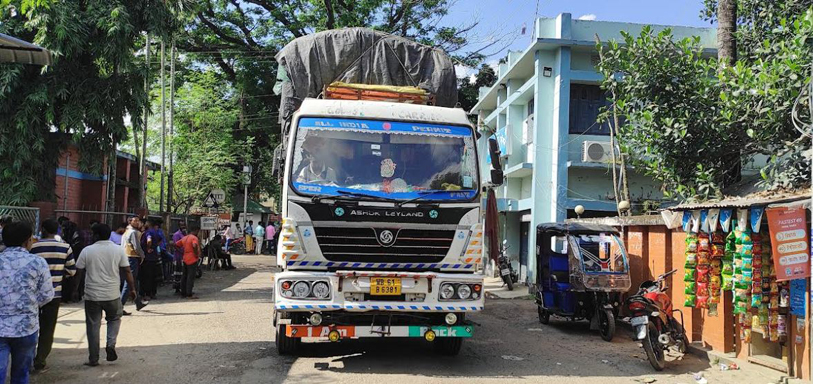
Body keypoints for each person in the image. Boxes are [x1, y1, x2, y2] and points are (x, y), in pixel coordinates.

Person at [73, 223, 137, 367]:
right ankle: (111, 344)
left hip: (92, 295)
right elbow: (127, 271)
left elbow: (79, 272)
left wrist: (75, 289)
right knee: (114, 319)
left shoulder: (87, 251)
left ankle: (93, 358)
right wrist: (132, 289)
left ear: (95, 235)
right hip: (112, 294)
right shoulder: (118, 250)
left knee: (93, 326)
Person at [0, 221, 54, 383]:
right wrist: (28, 304)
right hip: (26, 327)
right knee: (21, 374)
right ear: (27, 241)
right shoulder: (38, 263)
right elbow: (47, 295)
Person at [28, 219, 76, 372]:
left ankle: (27, 358)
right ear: (58, 230)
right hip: (54, 294)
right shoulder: (65, 247)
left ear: (42, 229)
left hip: (32, 295)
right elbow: (72, 271)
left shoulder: (33, 247)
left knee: (30, 327)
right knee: (48, 329)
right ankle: (40, 360)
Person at [120, 217, 146, 315]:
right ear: (130, 222)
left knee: (133, 282)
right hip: (132, 258)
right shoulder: (133, 233)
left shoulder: (126, 232)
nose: (137, 222)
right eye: (135, 221)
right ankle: (120, 306)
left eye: (138, 221)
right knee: (129, 282)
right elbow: (136, 246)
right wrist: (142, 255)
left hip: (126, 257)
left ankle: (138, 302)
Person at [139, 218, 164, 300]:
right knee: (153, 276)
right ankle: (153, 293)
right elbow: (160, 240)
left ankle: (147, 293)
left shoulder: (148, 232)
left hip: (147, 257)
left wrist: (148, 247)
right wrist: (155, 246)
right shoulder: (156, 232)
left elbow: (149, 240)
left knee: (147, 276)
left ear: (149, 224)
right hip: (154, 257)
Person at [176, 225, 201, 299]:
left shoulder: (185, 237)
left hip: (185, 258)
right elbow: (194, 245)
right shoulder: (194, 238)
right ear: (196, 231)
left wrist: (181, 251)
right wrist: (196, 253)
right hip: (192, 258)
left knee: (184, 276)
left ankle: (183, 292)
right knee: (191, 277)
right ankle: (189, 293)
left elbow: (175, 244)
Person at [171, 223, 187, 294]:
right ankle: (177, 289)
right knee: (178, 273)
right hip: (178, 257)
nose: (183, 227)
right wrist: (182, 251)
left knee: (183, 273)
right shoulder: (177, 235)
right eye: (181, 225)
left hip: (184, 257)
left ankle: (183, 287)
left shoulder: (185, 234)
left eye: (184, 225)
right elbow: (175, 245)